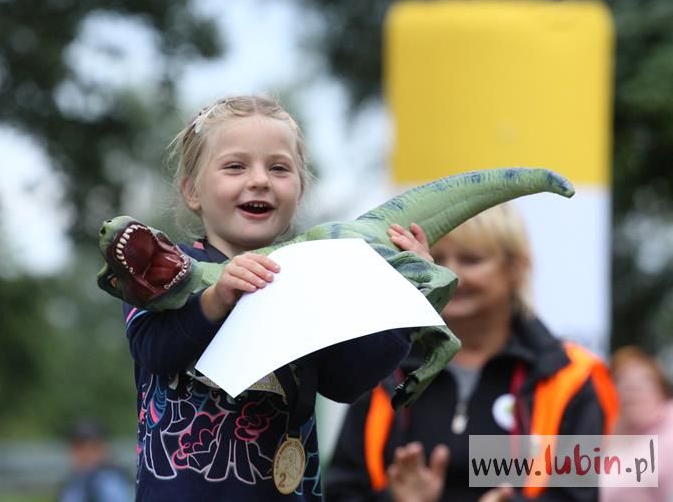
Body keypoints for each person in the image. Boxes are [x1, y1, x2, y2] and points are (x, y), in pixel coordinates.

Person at [121, 95, 446, 501]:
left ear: (300, 189)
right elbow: (152, 349)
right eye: (235, 166)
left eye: (279, 168)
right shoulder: (168, 264)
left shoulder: (311, 276)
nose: (259, 180)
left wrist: (404, 299)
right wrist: (216, 298)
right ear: (192, 190)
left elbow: (345, 382)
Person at [324, 203, 619, 502]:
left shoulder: (571, 375)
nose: (451, 273)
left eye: (471, 259)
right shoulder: (385, 368)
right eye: (438, 258)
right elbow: (341, 491)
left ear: (516, 268)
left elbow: (581, 495)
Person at [600, 346, 673, 501]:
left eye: (643, 381)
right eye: (623, 381)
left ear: (660, 389)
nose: (632, 390)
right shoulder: (609, 434)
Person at [57, 419, 133, 502]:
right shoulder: (74, 482)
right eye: (78, 448)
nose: (85, 454)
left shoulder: (109, 481)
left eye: (92, 448)